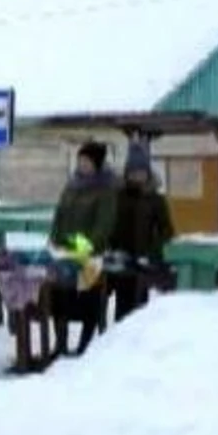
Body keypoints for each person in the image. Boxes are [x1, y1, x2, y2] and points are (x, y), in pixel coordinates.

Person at [46, 140, 119, 358]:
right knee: (58, 295)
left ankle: (84, 346)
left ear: (97, 164)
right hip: (64, 253)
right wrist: (55, 239)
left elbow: (104, 225)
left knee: (88, 296)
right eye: (80, 161)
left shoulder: (105, 190)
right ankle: (60, 344)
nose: (82, 165)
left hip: (90, 255)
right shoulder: (71, 186)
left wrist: (80, 246)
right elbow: (59, 216)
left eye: (87, 161)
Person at [108, 142, 175, 322]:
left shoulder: (155, 199)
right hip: (121, 259)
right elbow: (110, 224)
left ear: (147, 173)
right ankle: (118, 339)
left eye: (141, 172)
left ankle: (137, 341)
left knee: (139, 306)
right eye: (133, 172)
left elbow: (167, 231)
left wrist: (151, 252)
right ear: (127, 173)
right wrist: (111, 248)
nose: (137, 176)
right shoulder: (117, 196)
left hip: (143, 261)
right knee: (122, 304)